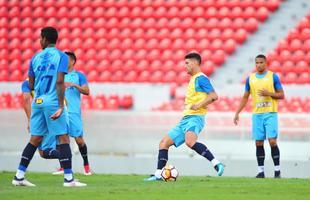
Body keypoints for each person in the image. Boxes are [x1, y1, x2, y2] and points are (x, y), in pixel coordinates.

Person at [12, 27, 86, 187]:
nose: (40, 40)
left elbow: (30, 84)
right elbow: (60, 81)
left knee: (35, 139)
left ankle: (19, 176)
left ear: (45, 39)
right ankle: (68, 179)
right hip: (52, 101)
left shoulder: (35, 57)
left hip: (37, 101)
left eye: (40, 38)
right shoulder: (61, 56)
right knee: (63, 138)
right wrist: (60, 105)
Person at [145, 52, 224, 181]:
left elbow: (214, 96)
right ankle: (158, 174)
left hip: (196, 118)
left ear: (195, 63)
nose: (185, 66)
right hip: (185, 119)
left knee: (190, 142)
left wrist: (199, 104)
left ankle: (216, 163)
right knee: (164, 143)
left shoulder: (201, 78)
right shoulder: (193, 79)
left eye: (187, 63)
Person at [234, 54, 284, 178]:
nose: (259, 65)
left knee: (272, 141)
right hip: (257, 115)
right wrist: (237, 112)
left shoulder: (272, 77)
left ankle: (277, 171)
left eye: (261, 62)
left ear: (265, 63)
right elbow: (245, 97)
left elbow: (281, 95)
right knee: (258, 143)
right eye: (257, 63)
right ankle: (261, 172)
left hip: (270, 113)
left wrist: (269, 93)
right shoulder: (250, 79)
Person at [53, 51, 91, 175]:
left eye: (66, 59)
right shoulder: (58, 75)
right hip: (61, 110)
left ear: (73, 61)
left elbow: (86, 91)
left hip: (74, 112)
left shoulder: (79, 76)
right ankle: (63, 167)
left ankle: (86, 165)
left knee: (79, 140)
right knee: (61, 139)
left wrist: (74, 85)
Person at [21, 80, 59, 159]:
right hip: (58, 110)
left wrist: (30, 120)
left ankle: (66, 159)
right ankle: (65, 165)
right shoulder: (52, 78)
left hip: (45, 114)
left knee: (44, 150)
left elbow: (26, 99)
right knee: (60, 142)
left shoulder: (27, 82)